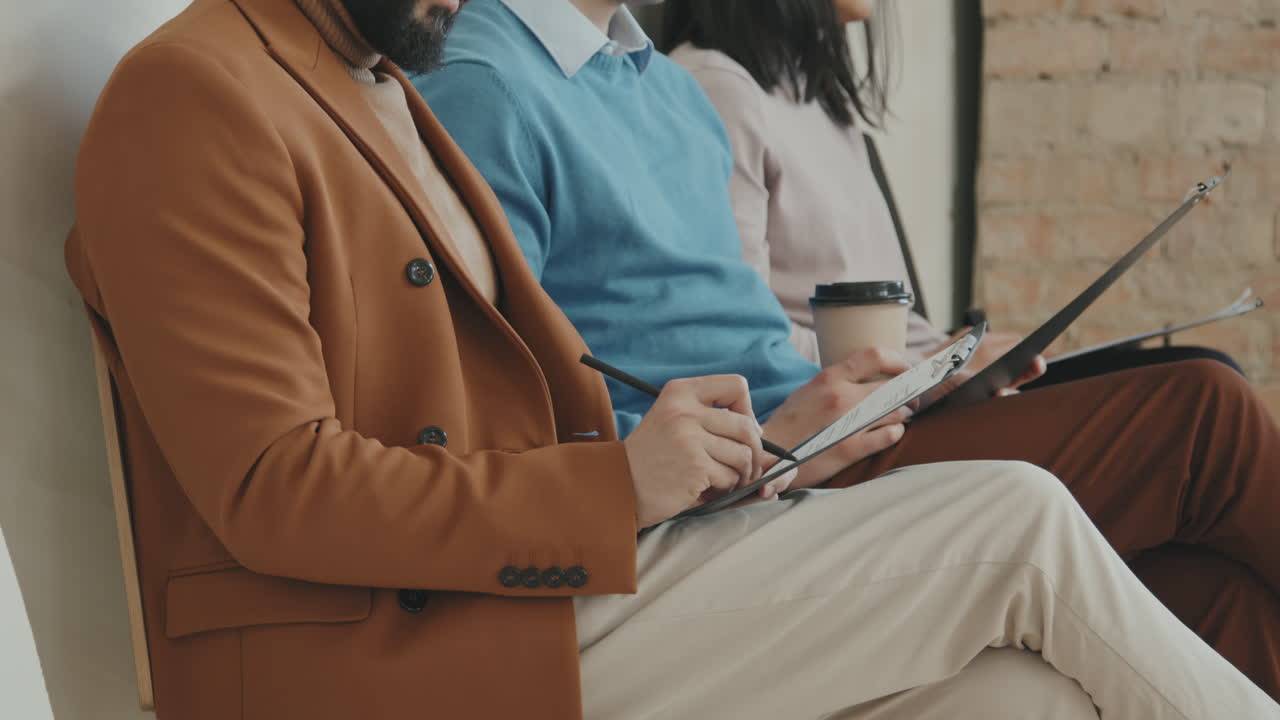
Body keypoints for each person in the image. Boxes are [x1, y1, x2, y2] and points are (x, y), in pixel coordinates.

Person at [63, 0, 1280, 717]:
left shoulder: (381, 79)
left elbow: (500, 409)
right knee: (1019, 514)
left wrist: (751, 460)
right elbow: (275, 488)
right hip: (376, 648)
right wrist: (615, 488)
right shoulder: (193, 96)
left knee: (1031, 698)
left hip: (530, 579)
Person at [416, 0, 1280, 700]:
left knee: (1216, 594)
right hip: (756, 474)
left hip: (828, 434)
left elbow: (740, 327)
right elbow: (497, 408)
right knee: (1205, 411)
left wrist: (916, 377)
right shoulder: (482, 83)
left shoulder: (665, 88)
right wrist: (776, 438)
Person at [662, 0, 1242, 387]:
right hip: (846, 416)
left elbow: (894, 318)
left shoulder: (823, 105)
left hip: (911, 387)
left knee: (1204, 371)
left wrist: (961, 351)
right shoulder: (715, 88)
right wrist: (937, 366)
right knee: (1201, 387)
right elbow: (736, 333)